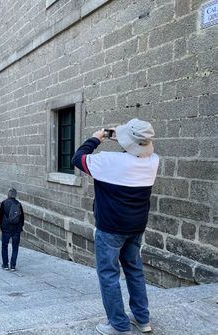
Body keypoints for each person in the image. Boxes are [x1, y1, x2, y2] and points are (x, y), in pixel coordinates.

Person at [72, 119, 159, 335]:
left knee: (109, 274)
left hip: (110, 229)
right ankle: (142, 319)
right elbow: (132, 156)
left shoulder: (107, 161)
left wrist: (96, 137)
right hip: (136, 227)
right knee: (134, 271)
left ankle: (119, 325)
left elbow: (77, 158)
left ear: (126, 140)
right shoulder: (153, 161)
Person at [0, 188, 24, 271]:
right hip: (16, 229)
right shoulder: (18, 204)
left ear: (8, 194)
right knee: (15, 247)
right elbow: (22, 217)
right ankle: (13, 266)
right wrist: (20, 227)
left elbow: (0, 216)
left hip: (6, 229)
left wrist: (0, 224)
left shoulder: (4, 203)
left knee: (4, 246)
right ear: (15, 195)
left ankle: (5, 265)